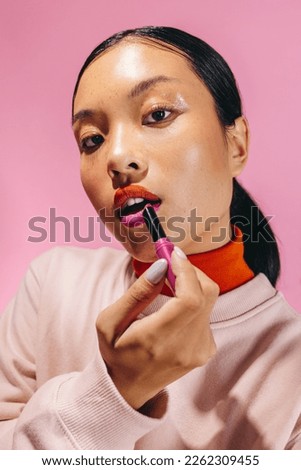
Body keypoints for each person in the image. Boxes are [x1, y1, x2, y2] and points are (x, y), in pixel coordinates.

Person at [0, 26, 300, 450]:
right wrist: (115, 390)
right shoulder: (51, 286)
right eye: (92, 139)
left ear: (236, 145)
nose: (117, 157)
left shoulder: (293, 366)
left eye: (157, 114)